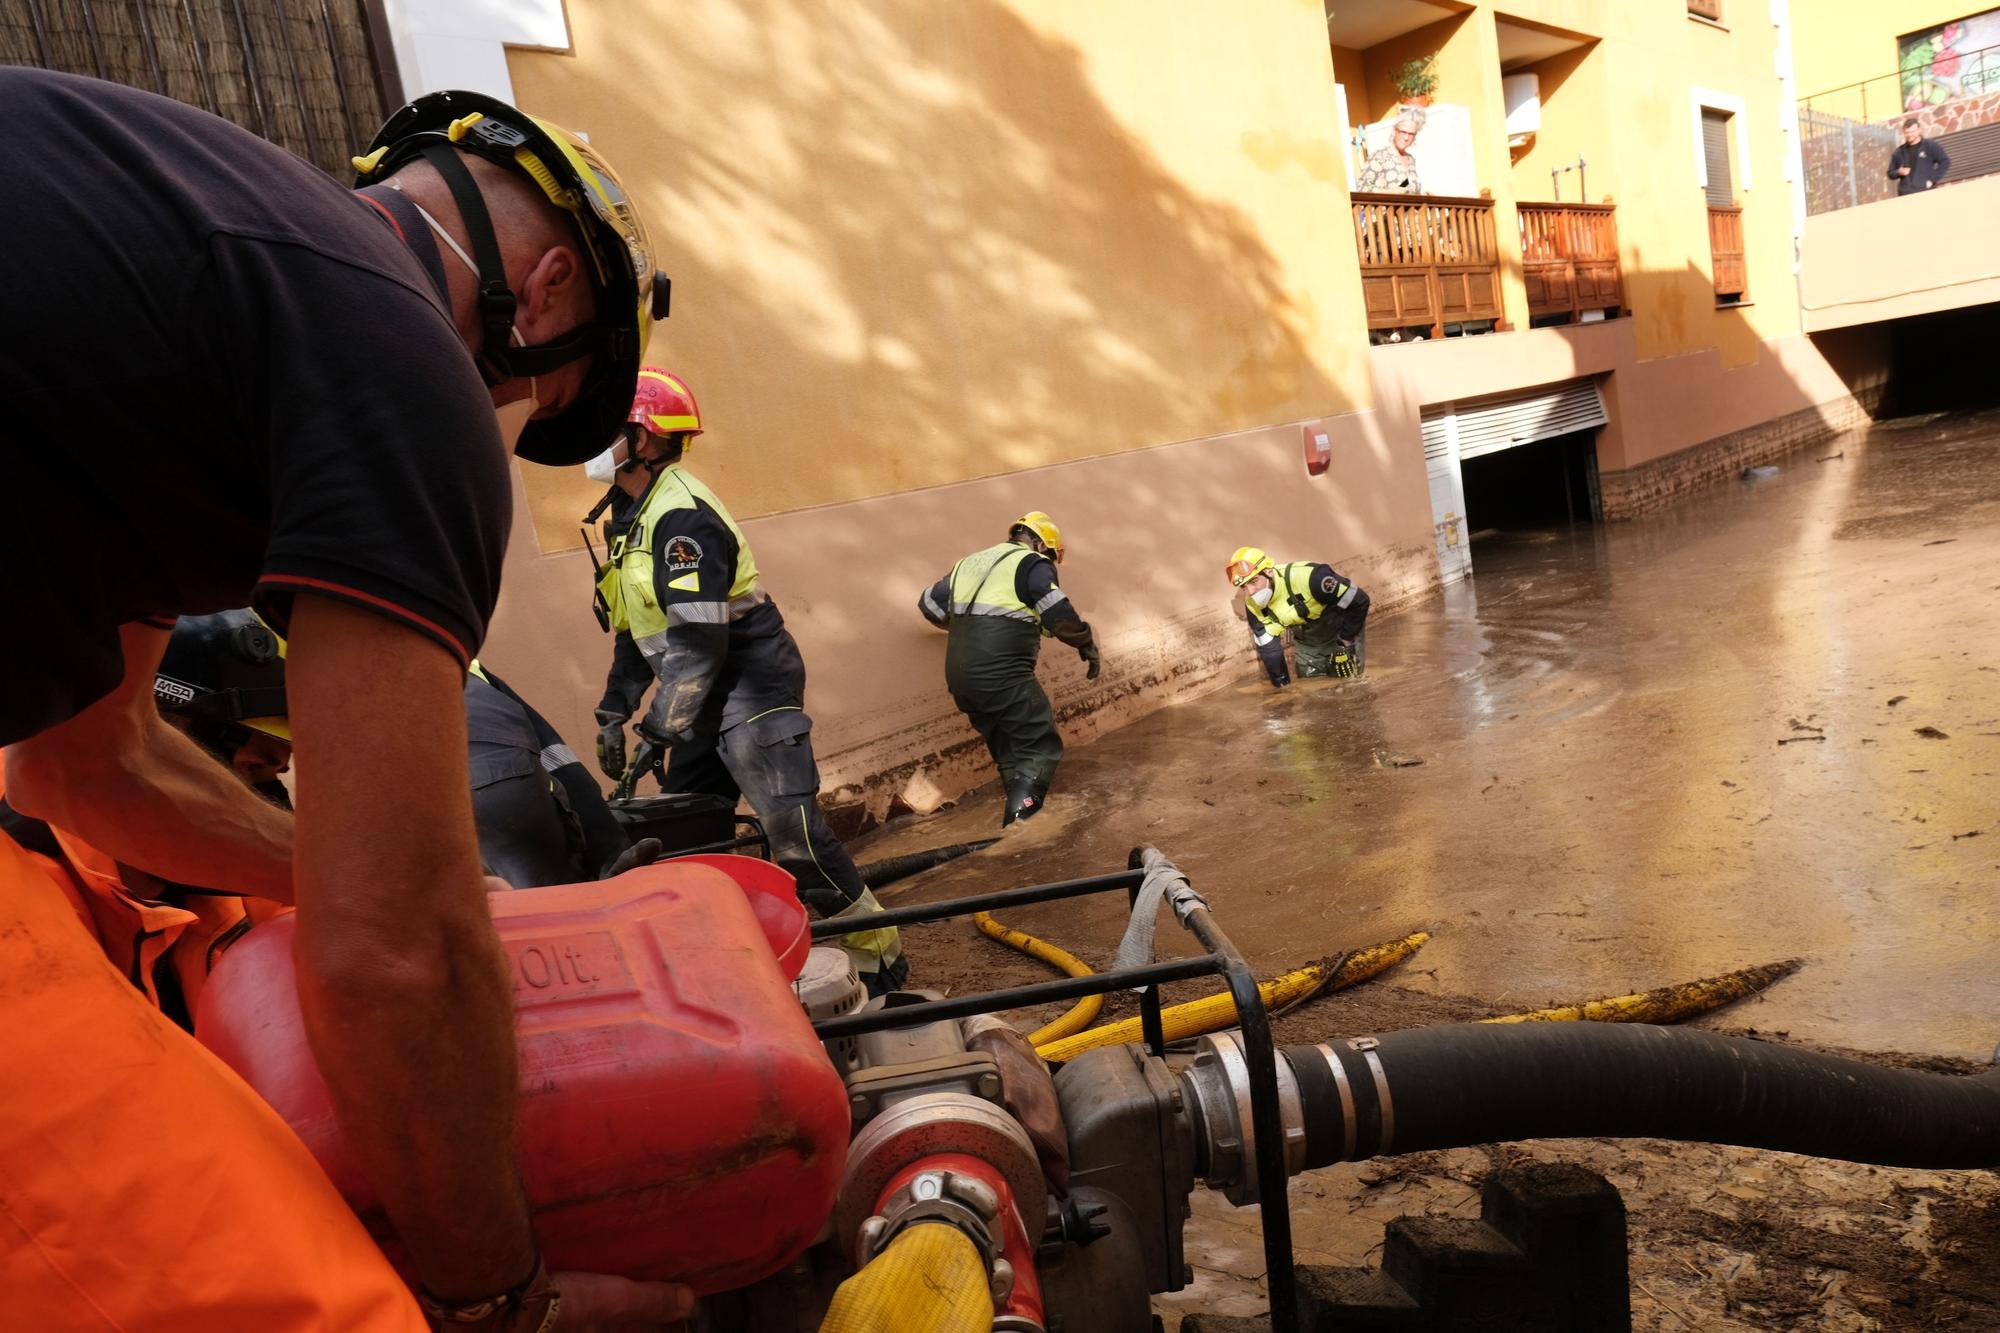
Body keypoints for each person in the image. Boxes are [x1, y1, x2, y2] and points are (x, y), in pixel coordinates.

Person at [0, 68, 688, 1331]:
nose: (505, 422)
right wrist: (500, 1297)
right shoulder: (401, 354)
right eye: (535, 399)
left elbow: (86, 769)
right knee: (289, 1294)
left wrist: (359, 877)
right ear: (545, 297)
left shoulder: (204, 275)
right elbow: (396, 961)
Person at [587, 369, 907, 993]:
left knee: (796, 840)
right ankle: (723, 963)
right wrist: (612, 710)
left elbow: (702, 639)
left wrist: (659, 728)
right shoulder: (627, 517)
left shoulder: (684, 519)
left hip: (750, 687)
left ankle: (882, 958)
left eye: (607, 428)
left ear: (644, 440)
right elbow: (635, 632)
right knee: (688, 837)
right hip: (697, 697)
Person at [920, 513, 1102, 826]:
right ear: (1041, 543)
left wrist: (971, 628)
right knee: (1039, 745)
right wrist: (1085, 642)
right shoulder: (1032, 563)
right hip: (1002, 673)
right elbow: (1057, 612)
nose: (1052, 563)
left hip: (961, 677)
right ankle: (1021, 827)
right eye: (1051, 555)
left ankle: (1018, 819)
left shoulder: (969, 562)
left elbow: (930, 605)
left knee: (1007, 748)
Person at [1225, 546, 1371, 687]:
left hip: (1341, 630)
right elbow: (1269, 649)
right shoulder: (1252, 606)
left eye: (1254, 581)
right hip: (1307, 642)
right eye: (1244, 586)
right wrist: (1282, 687)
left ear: (1268, 572)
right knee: (1312, 692)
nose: (1250, 592)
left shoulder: (1311, 578)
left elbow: (1360, 601)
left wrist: (1345, 642)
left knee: (1351, 686)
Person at [1357, 105, 1425, 195]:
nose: (1406, 137)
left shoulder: (1411, 160)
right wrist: (1389, 192)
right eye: (1403, 132)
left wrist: (1423, 195)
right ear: (1394, 130)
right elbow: (1362, 187)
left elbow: (1404, 187)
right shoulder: (1380, 156)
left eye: (1411, 134)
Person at [1888, 118, 1950, 195]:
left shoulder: (1930, 145)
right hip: (1906, 195)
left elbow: (1945, 162)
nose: (1909, 135)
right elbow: (1890, 173)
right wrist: (1899, 172)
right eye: (1907, 132)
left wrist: (1932, 180)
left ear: (1919, 130)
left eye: (1912, 131)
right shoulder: (1899, 152)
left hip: (1927, 192)